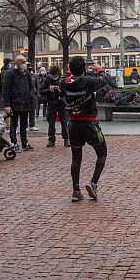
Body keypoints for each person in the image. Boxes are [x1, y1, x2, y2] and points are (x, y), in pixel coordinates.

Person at [63, 57, 110, 201]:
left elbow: (65, 80)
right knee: (102, 153)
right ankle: (93, 182)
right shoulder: (89, 82)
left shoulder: (64, 83)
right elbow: (105, 80)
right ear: (84, 68)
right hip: (90, 123)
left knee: (76, 158)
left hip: (72, 124)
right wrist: (99, 69)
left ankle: (76, 191)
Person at [0, 54, 35, 150]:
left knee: (24, 124)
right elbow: (5, 89)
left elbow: (31, 86)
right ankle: (14, 142)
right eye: (22, 62)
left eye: (25, 62)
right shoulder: (10, 73)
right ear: (17, 62)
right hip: (14, 103)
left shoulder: (26, 73)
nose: (24, 64)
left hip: (25, 103)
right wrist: (7, 105)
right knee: (13, 124)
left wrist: (31, 96)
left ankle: (24, 143)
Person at [42, 65, 68, 147]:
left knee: (64, 122)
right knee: (51, 122)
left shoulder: (62, 80)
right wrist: (49, 90)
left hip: (61, 103)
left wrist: (61, 91)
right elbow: (41, 90)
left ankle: (66, 138)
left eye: (56, 75)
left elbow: (67, 91)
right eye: (53, 75)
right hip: (51, 103)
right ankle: (51, 139)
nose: (54, 77)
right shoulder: (47, 80)